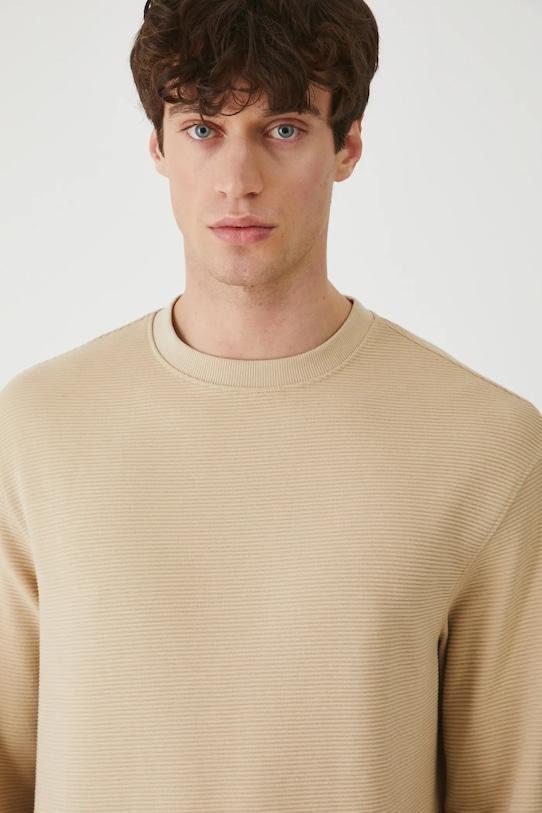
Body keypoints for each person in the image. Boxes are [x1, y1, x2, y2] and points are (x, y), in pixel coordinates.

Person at [1, 1, 540, 811]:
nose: (237, 180)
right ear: (157, 146)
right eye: (203, 129)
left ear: (347, 145)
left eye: (283, 129)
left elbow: (510, 787)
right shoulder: (36, 430)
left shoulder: (486, 446)